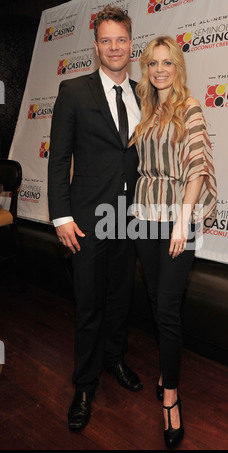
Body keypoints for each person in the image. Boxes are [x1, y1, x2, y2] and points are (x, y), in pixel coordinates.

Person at [48, 6, 142, 431]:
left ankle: (114, 359)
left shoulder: (147, 93)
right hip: (86, 218)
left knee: (120, 298)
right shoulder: (74, 91)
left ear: (131, 42)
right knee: (88, 304)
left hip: (130, 216)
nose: (114, 47)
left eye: (120, 39)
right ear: (96, 46)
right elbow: (59, 159)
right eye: (106, 40)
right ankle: (84, 385)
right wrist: (61, 216)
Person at [130, 36, 217, 448]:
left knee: (166, 308)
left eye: (167, 62)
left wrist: (182, 223)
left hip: (176, 220)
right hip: (144, 217)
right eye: (153, 63)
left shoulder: (190, 108)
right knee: (155, 299)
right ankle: (166, 369)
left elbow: (197, 168)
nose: (160, 69)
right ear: (146, 69)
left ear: (178, 67)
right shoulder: (146, 112)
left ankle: (170, 397)